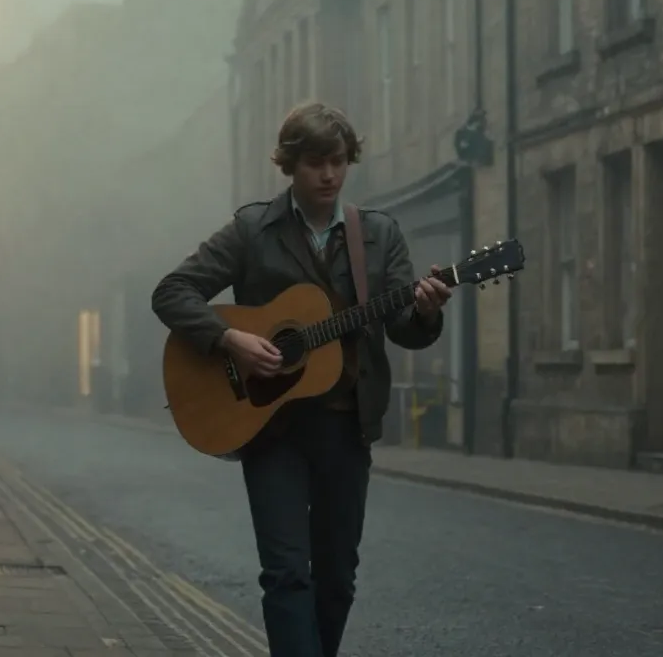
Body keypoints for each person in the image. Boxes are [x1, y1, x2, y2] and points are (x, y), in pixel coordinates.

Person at [151, 102, 452, 657]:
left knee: (336, 578)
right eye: (315, 163)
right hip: (272, 429)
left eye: (338, 162)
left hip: (346, 427)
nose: (329, 175)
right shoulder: (253, 230)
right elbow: (172, 292)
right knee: (286, 574)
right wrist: (229, 339)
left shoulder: (378, 235)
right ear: (290, 165)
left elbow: (404, 328)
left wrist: (427, 312)